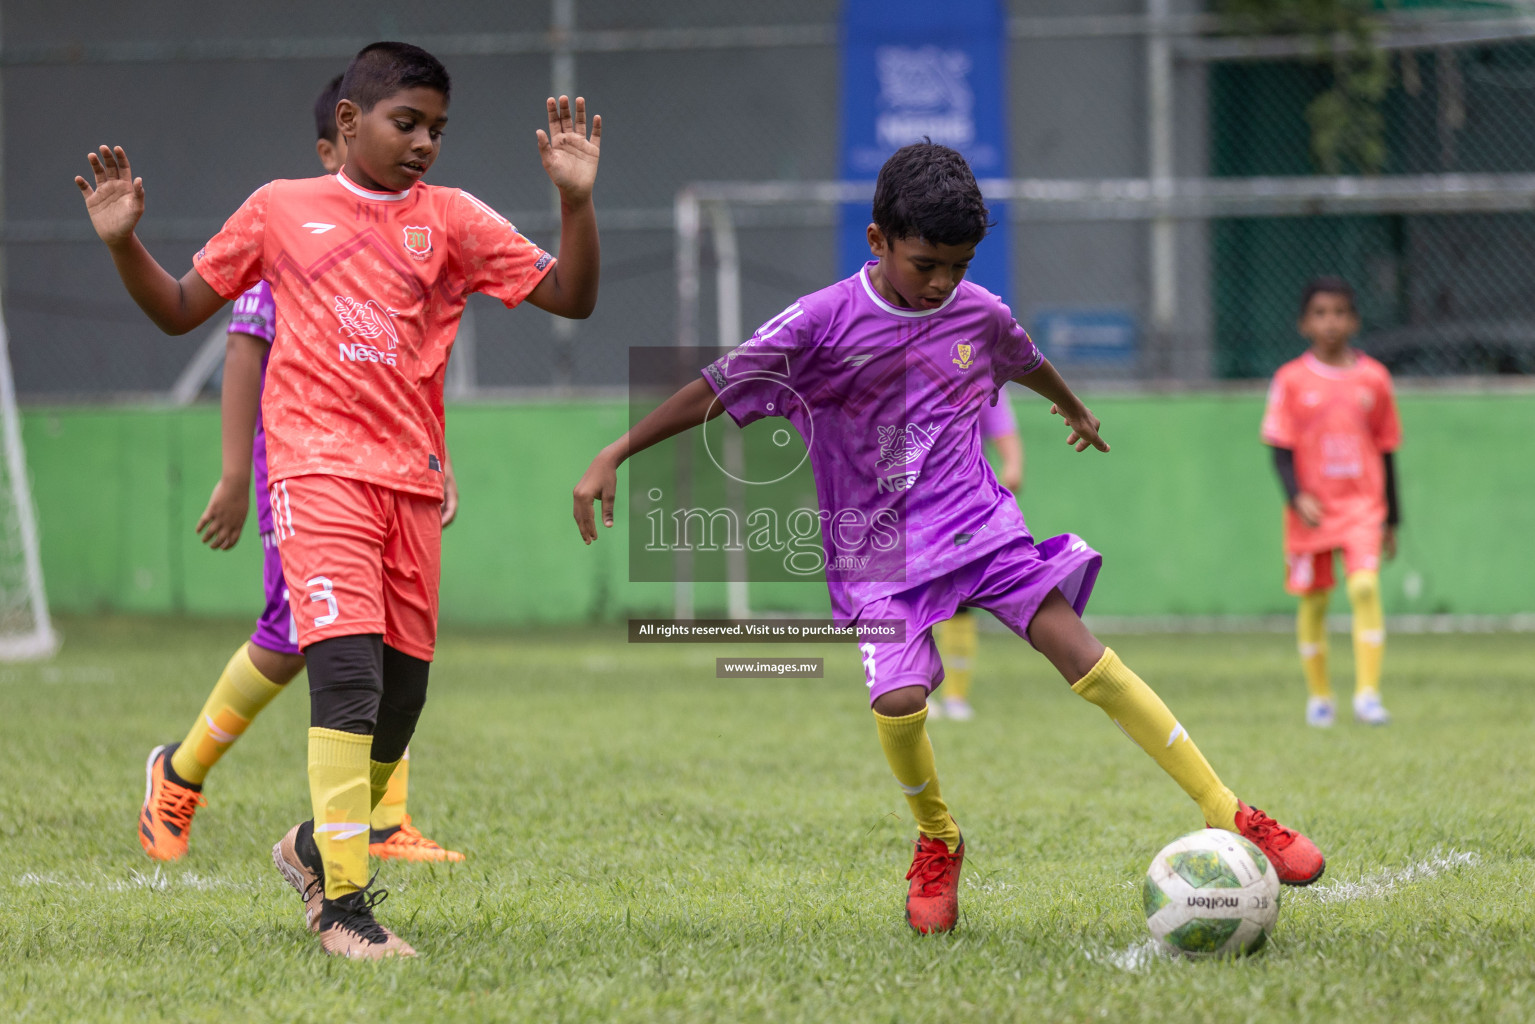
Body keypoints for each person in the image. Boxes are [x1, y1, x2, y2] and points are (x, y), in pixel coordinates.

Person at [573, 141, 1324, 936]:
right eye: (925, 263)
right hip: (874, 551)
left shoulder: (980, 311)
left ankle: (1228, 808)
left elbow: (1023, 358)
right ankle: (937, 838)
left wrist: (1069, 407)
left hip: (978, 525)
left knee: (1083, 655)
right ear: (877, 241)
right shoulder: (819, 323)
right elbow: (713, 390)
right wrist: (615, 450)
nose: (940, 283)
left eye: (956, 267)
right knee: (898, 702)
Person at [77, 41, 602, 958]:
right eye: (408, 123)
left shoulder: (453, 219)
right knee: (346, 677)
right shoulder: (280, 209)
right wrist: (126, 243)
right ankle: (343, 908)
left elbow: (573, 296)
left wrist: (576, 198)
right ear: (349, 124)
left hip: (412, 486)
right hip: (314, 474)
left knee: (402, 699)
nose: (425, 143)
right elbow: (177, 308)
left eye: (438, 128)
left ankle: (315, 844)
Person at [136, 74, 463, 868]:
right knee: (301, 638)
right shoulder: (288, 235)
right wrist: (232, 475)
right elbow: (241, 348)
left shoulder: (413, 238)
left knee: (376, 635)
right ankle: (180, 773)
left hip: (388, 465)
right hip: (305, 462)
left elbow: (410, 371)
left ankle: (380, 822)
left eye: (433, 129)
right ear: (338, 141)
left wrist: (435, 461)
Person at [1261, 277, 1401, 728]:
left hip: (1363, 506)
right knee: (1316, 601)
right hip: (1314, 509)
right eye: (1320, 313)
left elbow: (1387, 447)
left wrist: (1392, 518)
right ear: (1304, 323)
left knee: (1364, 587)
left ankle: (1368, 695)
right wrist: (1296, 495)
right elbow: (1279, 447)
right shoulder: (1290, 380)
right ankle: (1320, 696)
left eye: (1340, 312)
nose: (1331, 322)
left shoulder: (1374, 378)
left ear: (1354, 320)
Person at [929, 390, 1022, 721]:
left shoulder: (976, 373)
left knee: (960, 600)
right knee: (914, 598)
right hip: (913, 504)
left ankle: (955, 695)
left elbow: (1001, 424)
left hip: (963, 504)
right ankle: (915, 689)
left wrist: (1012, 464)